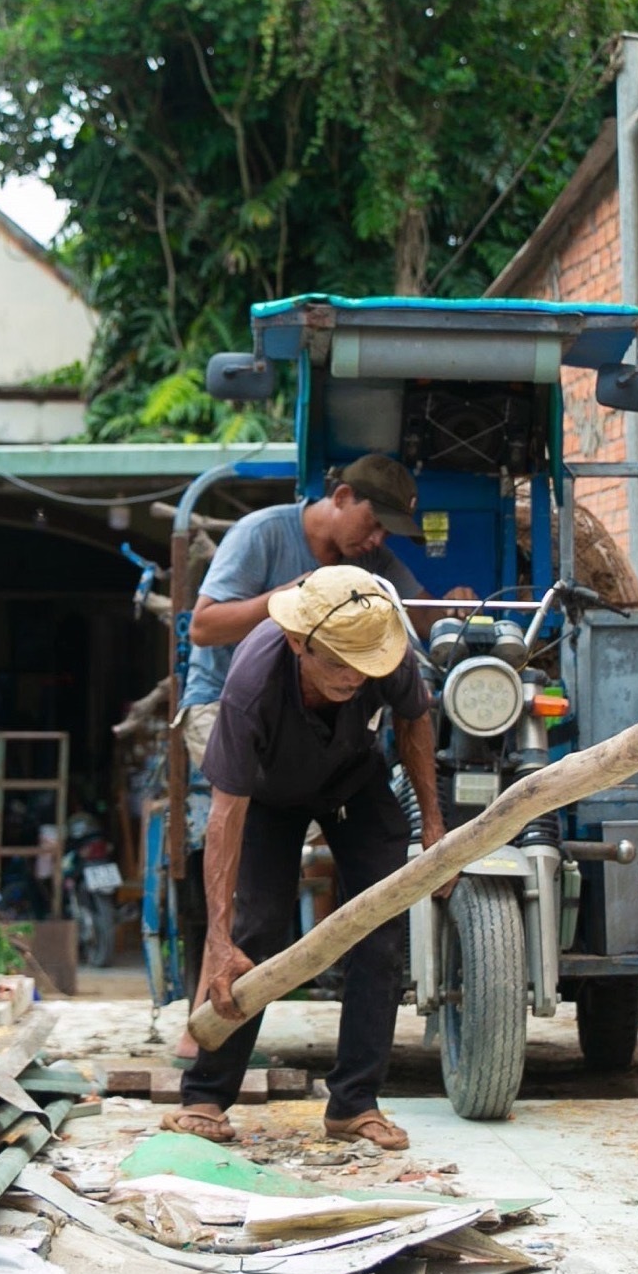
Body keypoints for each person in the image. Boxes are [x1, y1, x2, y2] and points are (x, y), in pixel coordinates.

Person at [175, 566, 445, 1151]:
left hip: (353, 778)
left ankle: (355, 1103)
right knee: (257, 933)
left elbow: (414, 721)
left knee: (379, 929)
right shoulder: (252, 684)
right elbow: (225, 820)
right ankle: (204, 1094)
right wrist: (218, 940)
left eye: (364, 665)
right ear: (301, 644)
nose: (356, 676)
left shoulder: (383, 647)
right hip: (269, 797)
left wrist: (434, 824)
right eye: (340, 665)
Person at [168, 455, 425, 1053]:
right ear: (339, 496)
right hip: (232, 708)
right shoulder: (262, 534)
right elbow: (203, 627)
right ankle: (212, 1003)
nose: (379, 539)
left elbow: (412, 616)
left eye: (388, 531)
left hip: (316, 720)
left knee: (357, 788)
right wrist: (286, 601)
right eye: (374, 521)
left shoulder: (368, 557)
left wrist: (456, 607)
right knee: (247, 844)